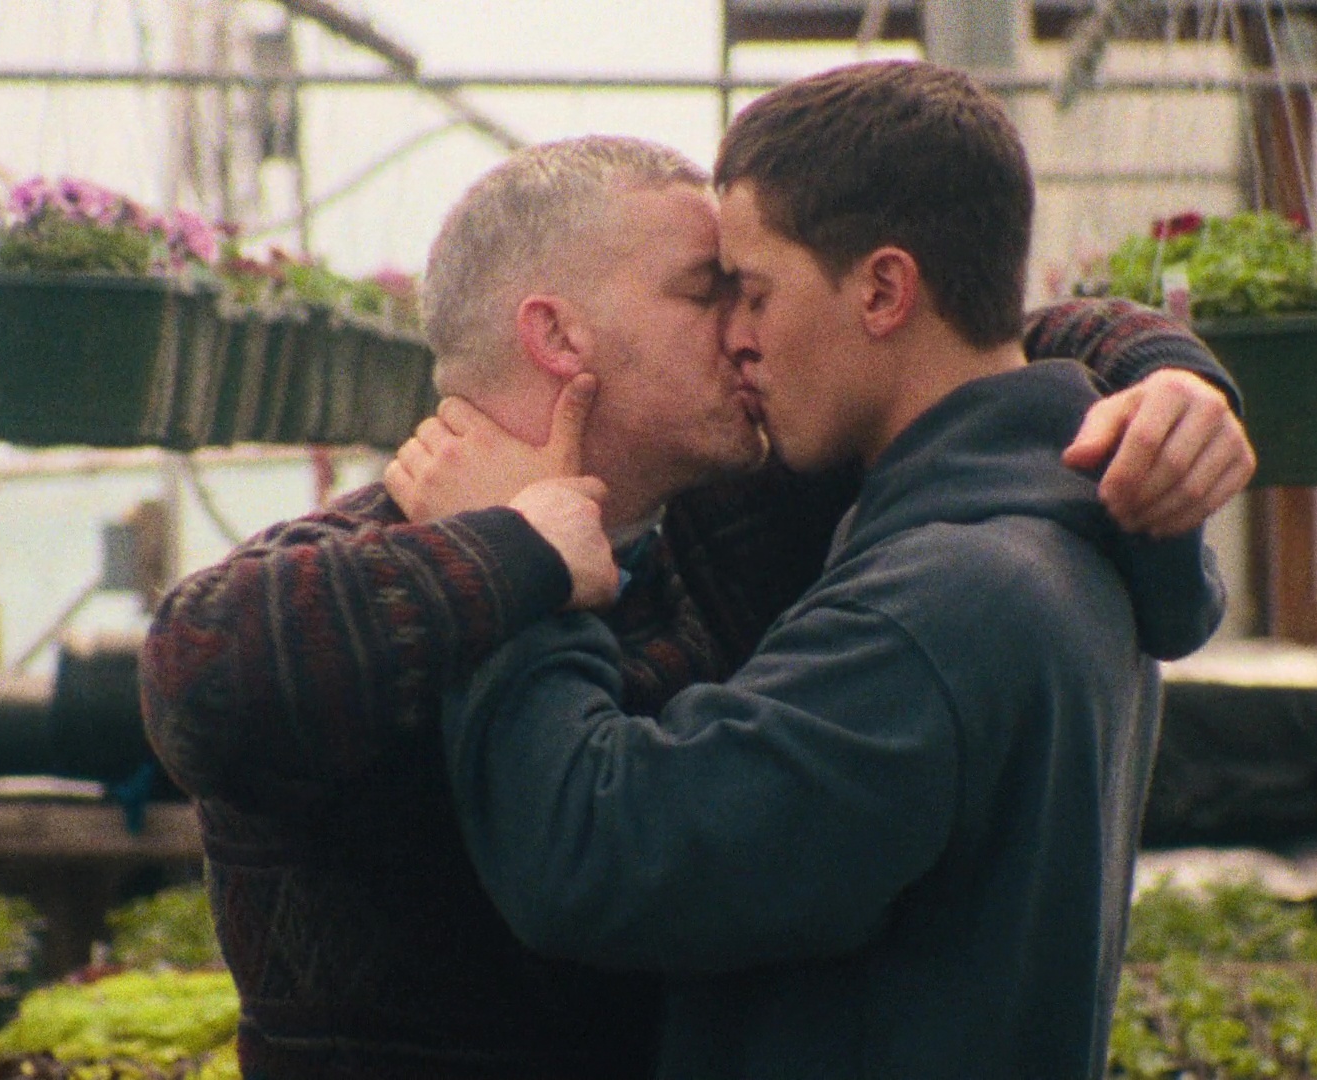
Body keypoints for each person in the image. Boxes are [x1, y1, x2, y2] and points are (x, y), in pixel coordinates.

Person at [139, 131, 1253, 1078]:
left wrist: (1169, 383)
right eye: (708, 291)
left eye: (752, 292)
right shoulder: (355, 572)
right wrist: (512, 552)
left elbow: (948, 333)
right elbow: (197, 671)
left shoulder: (733, 517)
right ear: (557, 336)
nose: (748, 329)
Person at [431, 61, 1224, 1080]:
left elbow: (598, 856)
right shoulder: (1052, 530)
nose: (736, 339)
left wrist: (508, 561)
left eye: (754, 294)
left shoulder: (943, 607)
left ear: (885, 290)